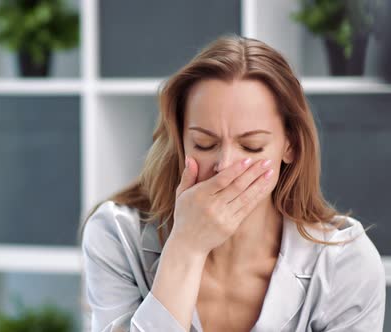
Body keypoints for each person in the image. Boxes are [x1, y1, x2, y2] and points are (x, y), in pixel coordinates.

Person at [79, 34, 386, 332]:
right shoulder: (116, 236)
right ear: (181, 142)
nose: (224, 166)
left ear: (290, 145)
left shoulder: (346, 265)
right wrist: (185, 248)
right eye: (203, 143)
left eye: (251, 146)